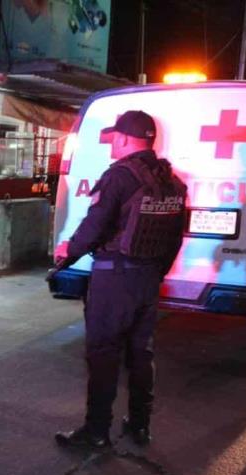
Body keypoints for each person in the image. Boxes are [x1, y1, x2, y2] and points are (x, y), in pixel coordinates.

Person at [54, 110, 187, 449]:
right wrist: (156, 272)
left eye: (114, 136)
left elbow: (94, 228)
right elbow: (175, 238)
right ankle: (140, 425)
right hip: (147, 280)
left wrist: (67, 253)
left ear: (126, 138)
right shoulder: (171, 181)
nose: (111, 141)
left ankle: (97, 431)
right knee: (141, 354)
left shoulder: (119, 177)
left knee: (103, 353)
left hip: (115, 281)